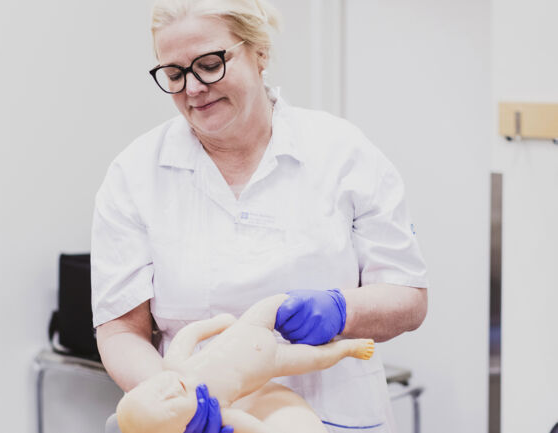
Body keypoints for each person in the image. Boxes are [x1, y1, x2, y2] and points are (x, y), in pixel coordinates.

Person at [91, 0, 428, 432]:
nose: (193, 88)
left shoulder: (342, 153)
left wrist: (343, 310)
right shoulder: (134, 175)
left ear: (259, 52)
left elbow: (409, 297)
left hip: (335, 414)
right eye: (174, 74)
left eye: (209, 64)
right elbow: (121, 331)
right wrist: (180, 400)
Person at [116, 294, 375, 433]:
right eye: (169, 406)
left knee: (279, 302)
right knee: (317, 358)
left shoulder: (175, 364)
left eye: (156, 389)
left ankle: (321, 302)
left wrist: (219, 323)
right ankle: (347, 348)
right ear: (184, 429)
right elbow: (252, 427)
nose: (170, 391)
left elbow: (188, 336)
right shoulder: (220, 411)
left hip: (249, 326)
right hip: (274, 363)